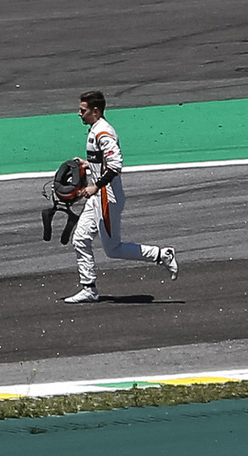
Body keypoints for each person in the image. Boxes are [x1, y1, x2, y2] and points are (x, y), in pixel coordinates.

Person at [64, 90, 178, 304]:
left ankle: (162, 254)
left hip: (107, 197)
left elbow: (116, 165)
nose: (79, 114)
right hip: (99, 196)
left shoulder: (103, 132)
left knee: (113, 249)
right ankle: (89, 289)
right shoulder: (95, 129)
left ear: (95, 111)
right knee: (80, 239)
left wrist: (94, 187)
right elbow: (104, 162)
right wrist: (88, 164)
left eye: (82, 110)